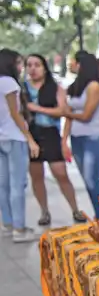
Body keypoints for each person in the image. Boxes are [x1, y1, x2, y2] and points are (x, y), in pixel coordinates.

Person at [23, 54, 86, 226]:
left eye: (37, 64)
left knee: (60, 173)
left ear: (44, 67)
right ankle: (44, 211)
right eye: (29, 65)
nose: (33, 68)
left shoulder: (56, 87)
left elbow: (62, 111)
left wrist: (36, 108)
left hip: (50, 133)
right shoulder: (22, 89)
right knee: (36, 176)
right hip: (31, 133)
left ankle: (75, 209)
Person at [0, 49, 40, 241]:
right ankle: (19, 228)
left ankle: (7, 224)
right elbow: (16, 114)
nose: (21, 67)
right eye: (18, 63)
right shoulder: (9, 83)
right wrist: (30, 139)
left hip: (2, 138)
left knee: (4, 185)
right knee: (17, 184)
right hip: (15, 138)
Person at [63, 52, 99, 218]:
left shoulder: (95, 86)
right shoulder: (77, 86)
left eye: (73, 61)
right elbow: (70, 116)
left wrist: (66, 112)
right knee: (87, 181)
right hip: (77, 138)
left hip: (94, 138)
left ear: (82, 64)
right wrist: (64, 140)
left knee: (91, 179)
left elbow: (86, 115)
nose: (70, 64)